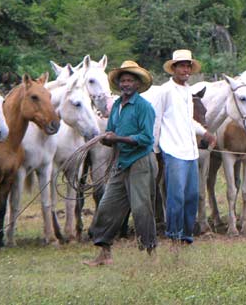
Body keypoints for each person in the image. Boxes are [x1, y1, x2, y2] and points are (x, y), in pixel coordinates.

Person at [84, 61, 158, 266]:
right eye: (123, 80)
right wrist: (107, 139)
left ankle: (150, 253)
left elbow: (146, 138)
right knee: (107, 206)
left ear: (137, 84)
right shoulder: (116, 106)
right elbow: (112, 132)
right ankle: (104, 254)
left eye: (130, 80)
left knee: (142, 207)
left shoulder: (144, 107)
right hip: (122, 162)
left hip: (141, 161)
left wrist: (117, 139)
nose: (126, 84)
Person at [152, 49, 216, 245]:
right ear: (174, 69)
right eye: (181, 66)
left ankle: (186, 236)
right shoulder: (165, 91)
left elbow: (188, 120)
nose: (185, 70)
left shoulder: (188, 92)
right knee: (176, 196)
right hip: (172, 150)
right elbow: (157, 119)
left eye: (188, 66)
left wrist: (203, 132)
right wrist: (155, 148)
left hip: (190, 150)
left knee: (192, 196)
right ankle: (174, 235)